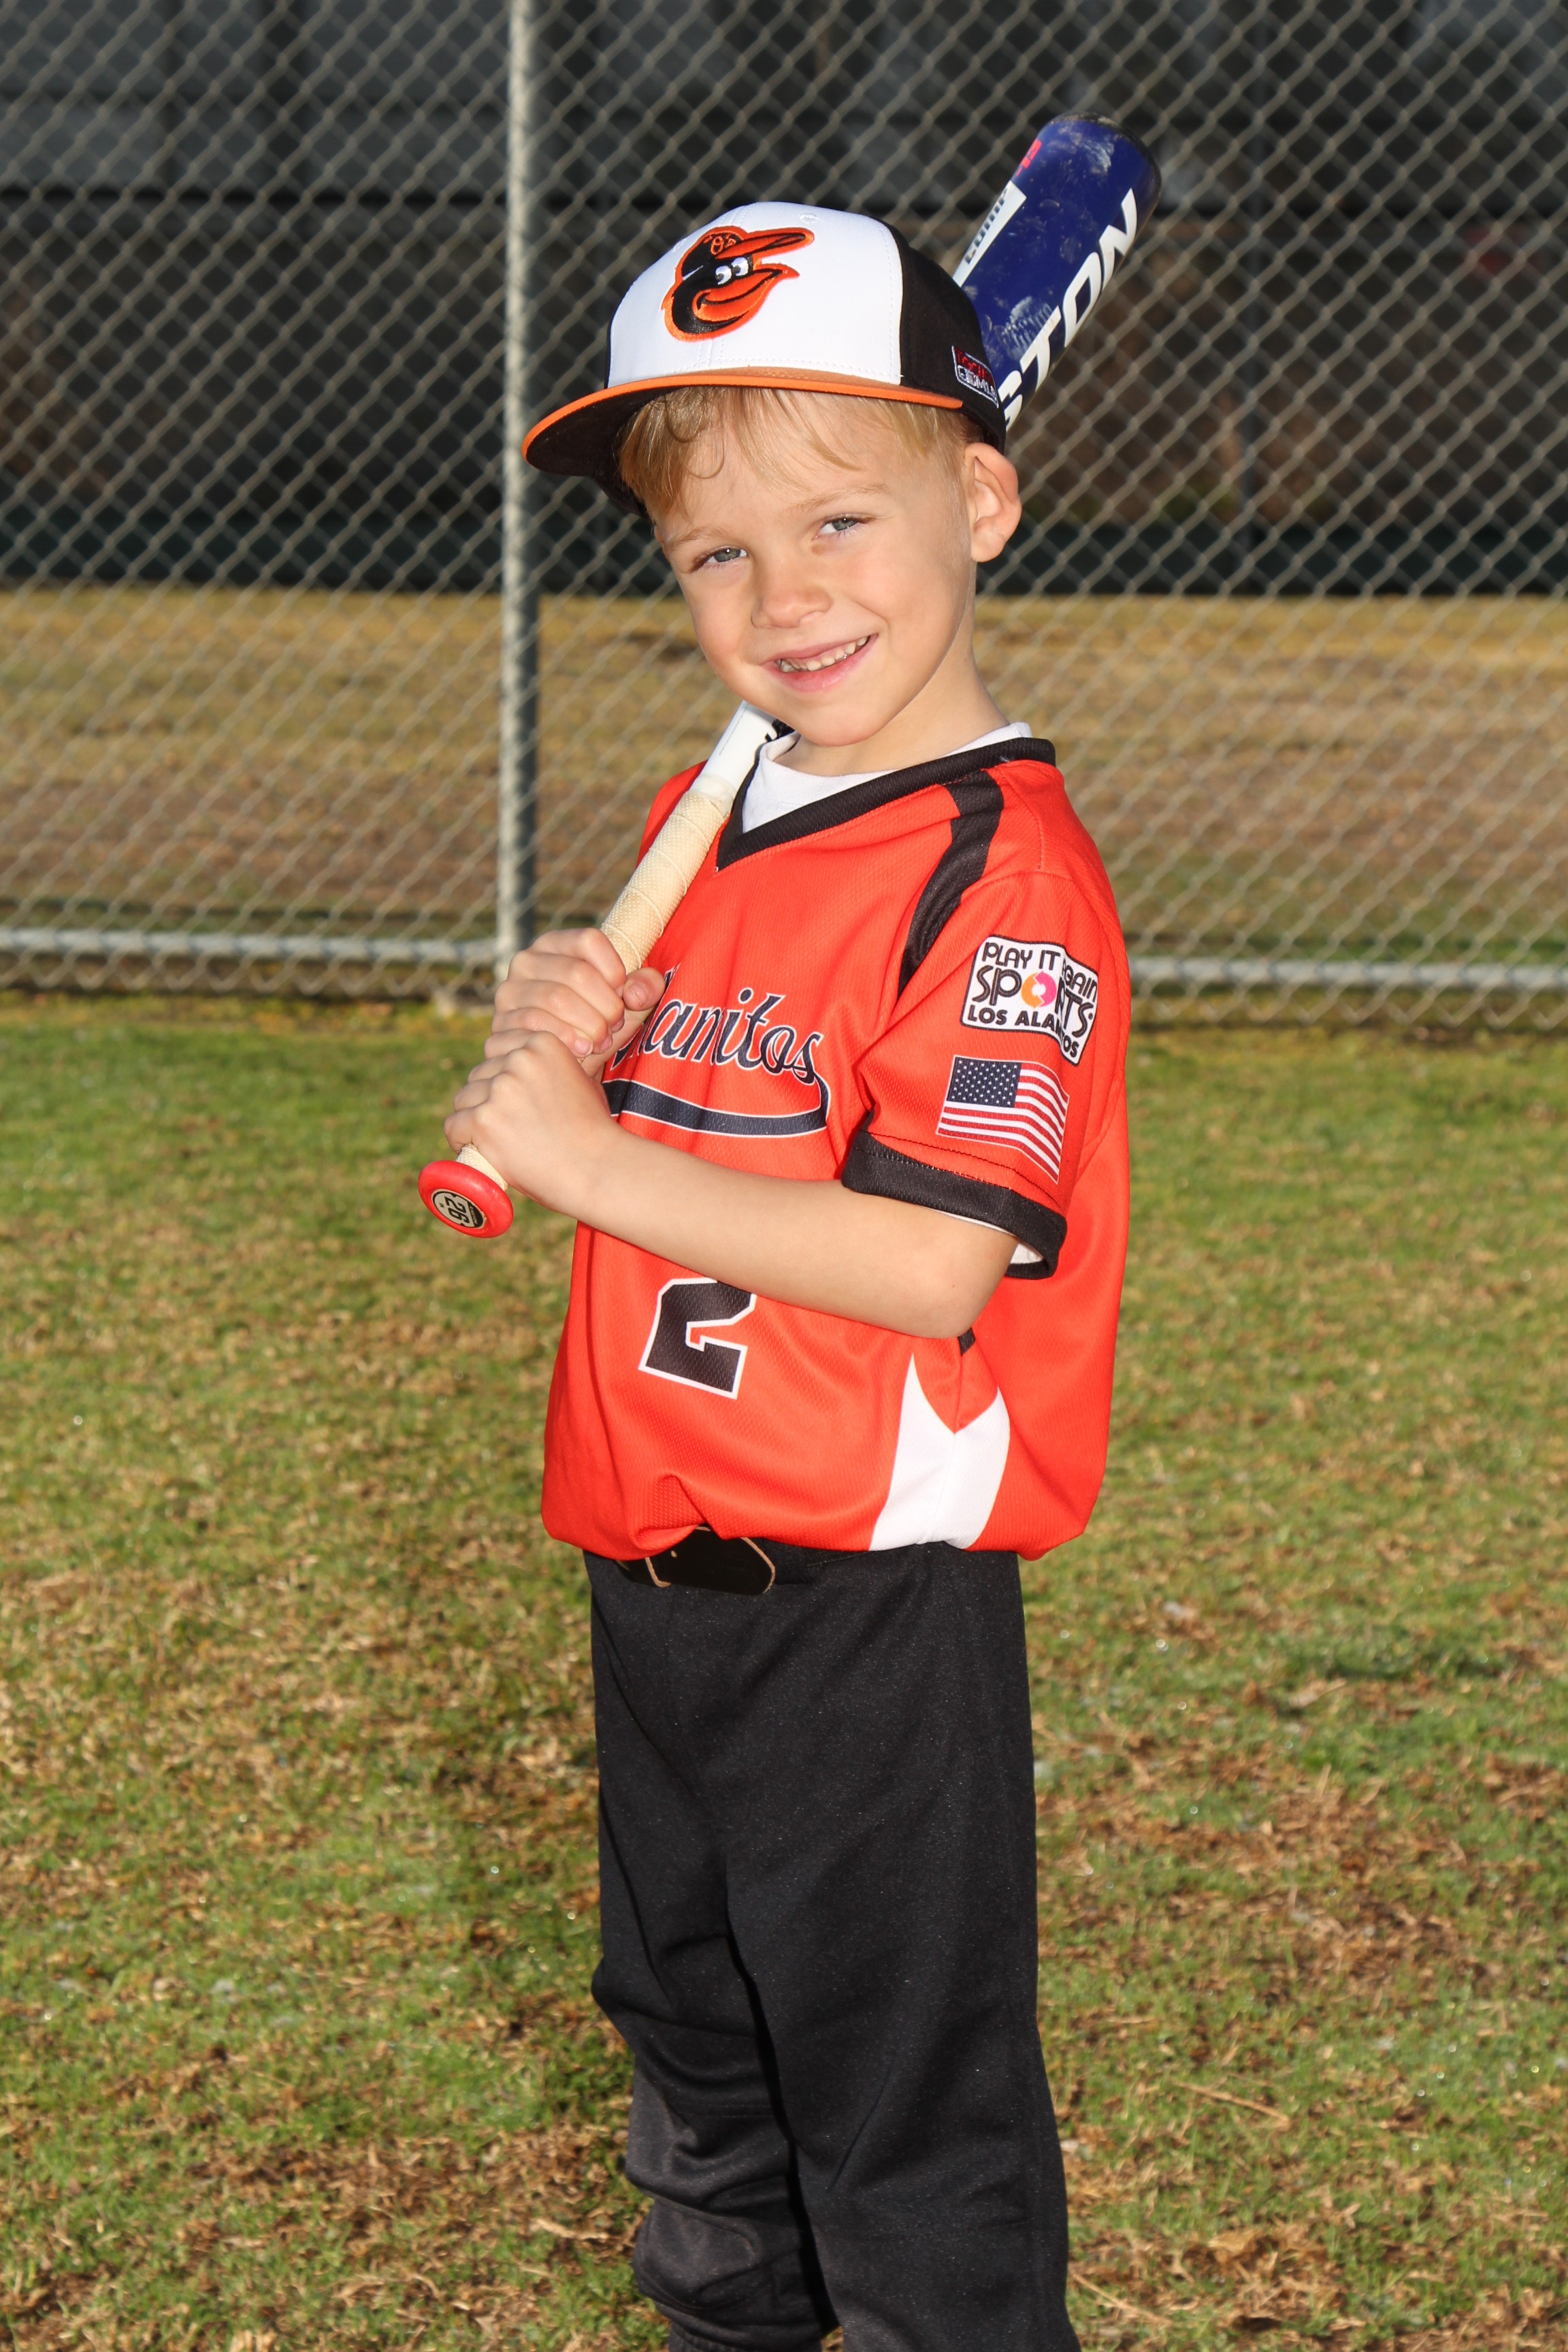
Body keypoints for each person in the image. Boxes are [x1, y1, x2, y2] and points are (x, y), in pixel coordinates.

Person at [443, 203, 1128, 2352]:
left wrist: (591, 1161)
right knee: (702, 2077)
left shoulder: (1004, 880)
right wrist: (581, 1036)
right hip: (656, 1570)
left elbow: (931, 1260)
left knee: (901, 2137)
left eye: (843, 520)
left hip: (863, 1609)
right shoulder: (722, 815)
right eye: (718, 551)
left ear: (980, 502)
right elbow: (720, 1105)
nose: (786, 596)